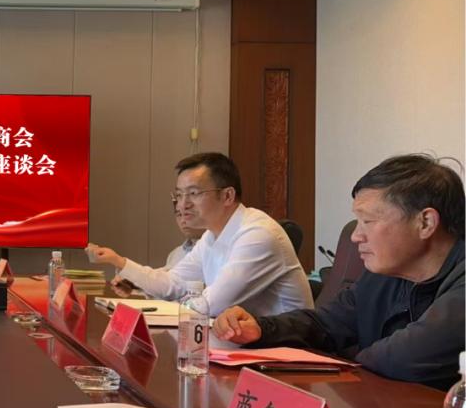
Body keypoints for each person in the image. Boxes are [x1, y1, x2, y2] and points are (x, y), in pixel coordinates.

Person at [214, 154, 465, 389]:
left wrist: (350, 359)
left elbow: (403, 359)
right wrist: (260, 328)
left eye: (368, 221)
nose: (356, 236)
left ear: (425, 222)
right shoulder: (385, 272)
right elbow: (325, 324)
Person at [88, 152, 312, 317]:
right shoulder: (211, 236)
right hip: (242, 343)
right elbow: (173, 283)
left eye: (194, 193)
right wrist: (122, 263)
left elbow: (212, 305)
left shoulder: (258, 235)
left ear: (227, 196)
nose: (183, 204)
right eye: (179, 195)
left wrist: (166, 305)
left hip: (285, 351)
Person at [165, 204, 206, 270]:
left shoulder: (216, 251)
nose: (183, 221)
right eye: (179, 215)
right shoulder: (175, 254)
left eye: (187, 214)